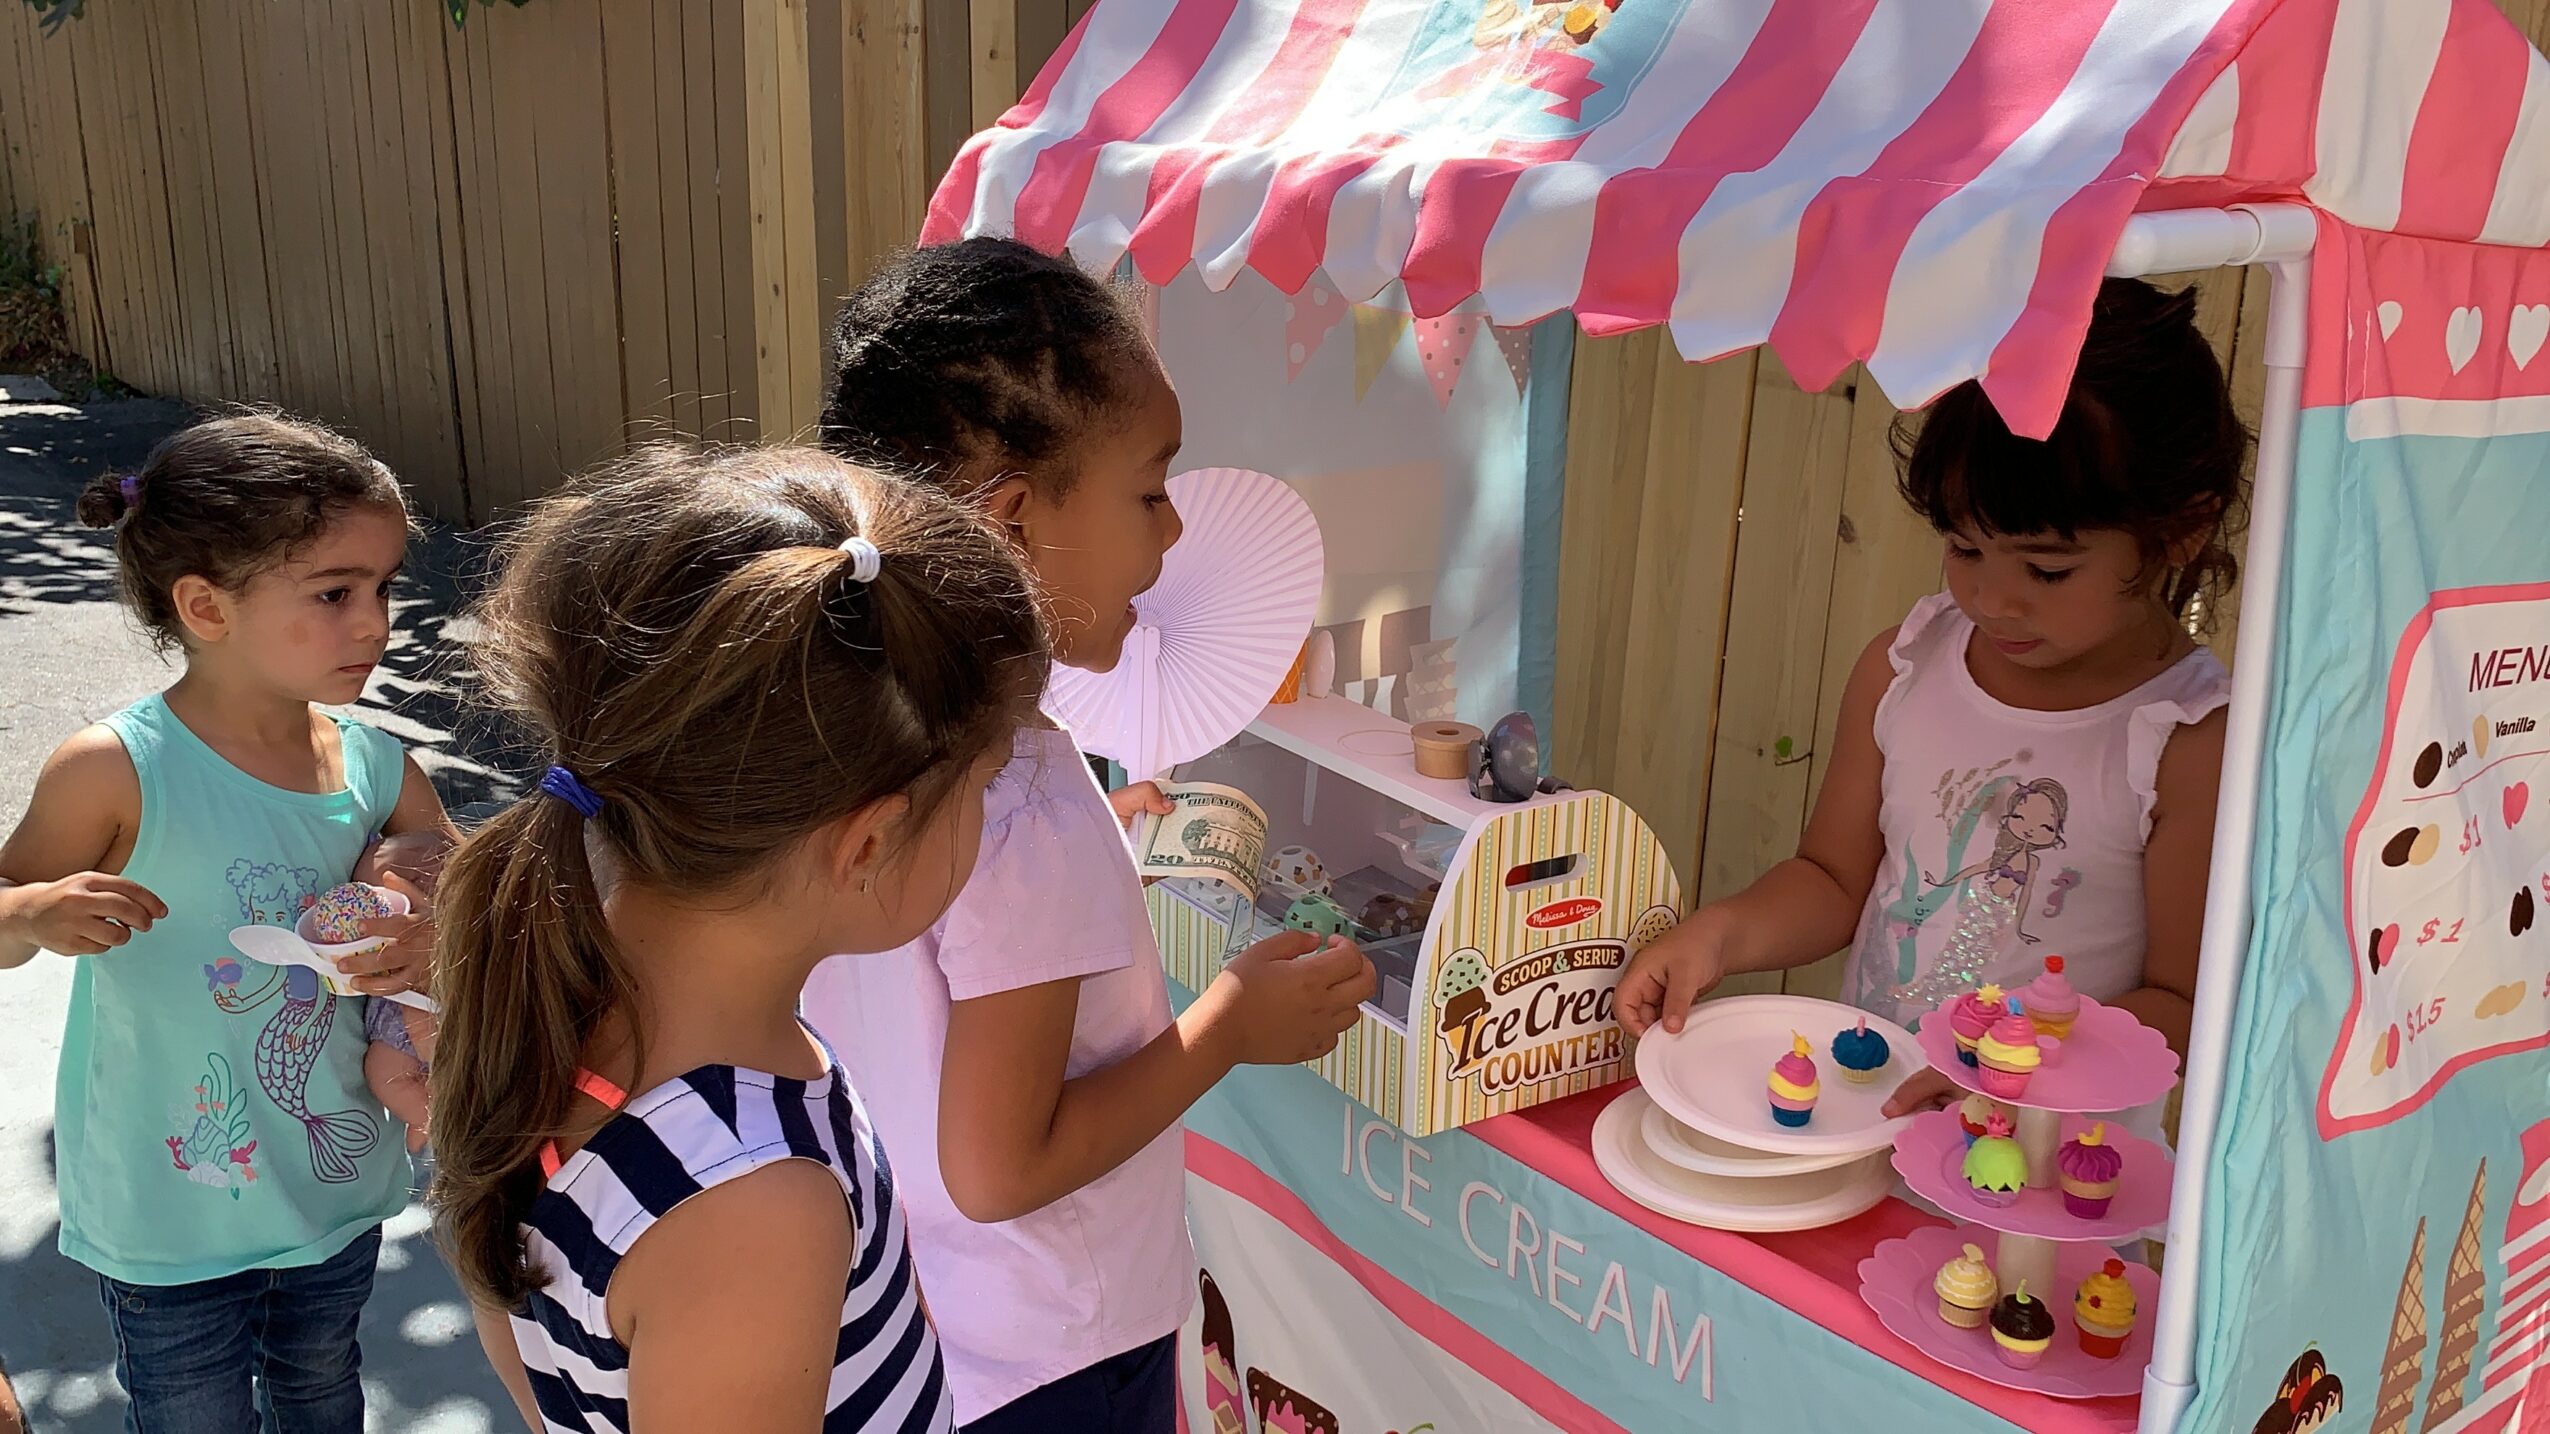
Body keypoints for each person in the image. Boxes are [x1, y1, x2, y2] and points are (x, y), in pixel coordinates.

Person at [814, 236, 1376, 1432]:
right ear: (1013, 518)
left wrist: (1089, 838)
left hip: (914, 1326)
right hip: (1059, 1352)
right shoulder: (1016, 795)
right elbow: (1003, 1167)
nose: (1171, 534)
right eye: (1152, 490)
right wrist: (1228, 1027)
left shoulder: (858, 732)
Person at [428, 446, 1050, 1433]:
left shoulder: (559, 1000)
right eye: (982, 787)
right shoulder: (750, 1210)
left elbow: (538, 1370)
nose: (986, 818)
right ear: (871, 843)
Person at [1618, 277, 2244, 1114]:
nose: (1992, 600)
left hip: (2048, 1182)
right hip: (1865, 1120)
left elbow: (2180, 1002)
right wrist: (1720, 934)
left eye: (2047, 569)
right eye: (1964, 548)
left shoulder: (2189, 740)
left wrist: (2011, 1077)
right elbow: (1832, 878)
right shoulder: (1906, 666)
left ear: (2182, 529)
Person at [0, 413, 446, 1431]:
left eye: (384, 587)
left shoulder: (378, 768)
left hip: (331, 1188)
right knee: (193, 1413)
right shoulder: (116, 769)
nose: (374, 622)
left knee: (323, 1391)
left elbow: (463, 895)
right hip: (167, 1209)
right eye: (335, 593)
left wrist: (426, 913)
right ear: (204, 605)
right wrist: (33, 909)